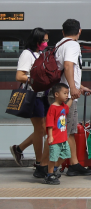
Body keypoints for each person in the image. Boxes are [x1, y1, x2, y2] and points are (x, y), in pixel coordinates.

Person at [54, 19, 91, 176]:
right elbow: (69, 65)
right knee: (63, 132)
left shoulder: (59, 44)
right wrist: (72, 89)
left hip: (63, 92)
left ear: (63, 32)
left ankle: (74, 164)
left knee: (69, 131)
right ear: (80, 31)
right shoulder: (72, 45)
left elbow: (63, 71)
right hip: (67, 96)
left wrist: (80, 87)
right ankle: (50, 167)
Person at [10, 28, 51, 178]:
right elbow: (19, 75)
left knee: (43, 129)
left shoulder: (40, 54)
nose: (46, 43)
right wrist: (34, 80)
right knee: (40, 129)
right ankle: (39, 162)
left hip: (43, 95)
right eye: (44, 40)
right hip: (33, 96)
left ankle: (19, 149)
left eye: (47, 40)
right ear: (37, 41)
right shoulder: (27, 54)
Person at [44, 83, 73, 185]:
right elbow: (50, 123)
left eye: (67, 93)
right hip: (55, 139)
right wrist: (50, 136)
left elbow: (67, 109)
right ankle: (49, 175)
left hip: (63, 138)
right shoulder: (53, 108)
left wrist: (72, 99)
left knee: (66, 154)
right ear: (56, 94)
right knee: (53, 157)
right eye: (65, 93)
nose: (66, 95)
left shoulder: (63, 106)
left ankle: (54, 168)